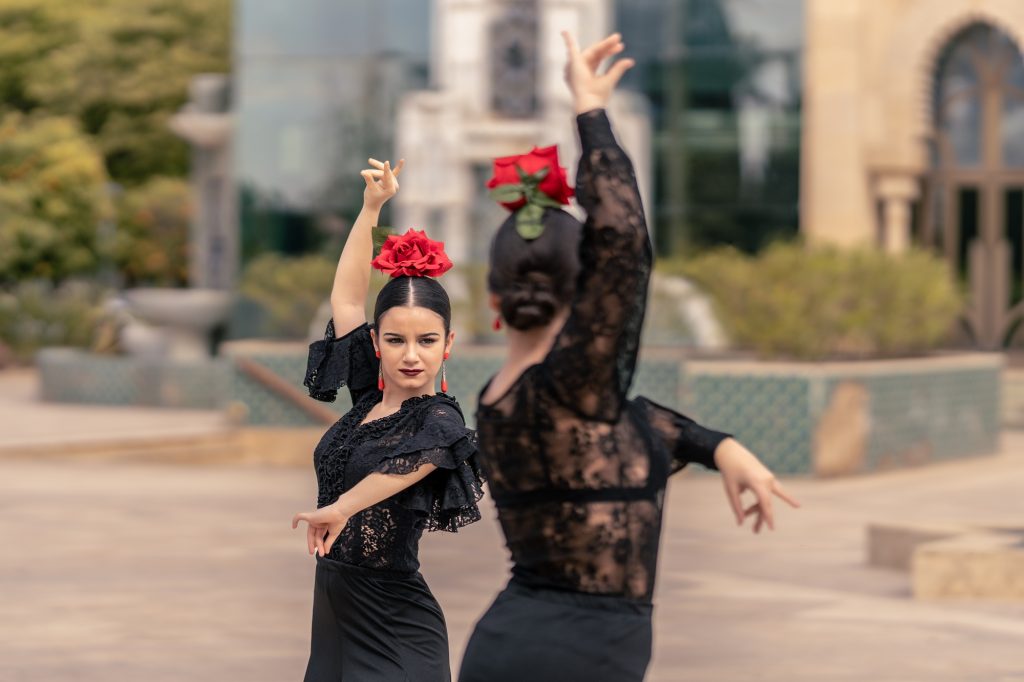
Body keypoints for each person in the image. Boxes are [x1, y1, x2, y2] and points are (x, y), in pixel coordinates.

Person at [458, 32, 800, 681]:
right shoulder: (569, 386)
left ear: (493, 297)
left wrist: (720, 446)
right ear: (585, 293)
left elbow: (632, 431)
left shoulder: (513, 399)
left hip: (529, 648)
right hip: (568, 659)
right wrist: (589, 109)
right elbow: (624, 243)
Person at [291, 157, 485, 682]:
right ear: (376, 342)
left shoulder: (439, 418)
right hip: (335, 612)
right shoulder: (365, 400)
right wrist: (370, 210)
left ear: (448, 344)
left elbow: (411, 465)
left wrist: (341, 507)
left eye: (427, 340)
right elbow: (347, 297)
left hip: (396, 621)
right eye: (396, 340)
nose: (411, 355)